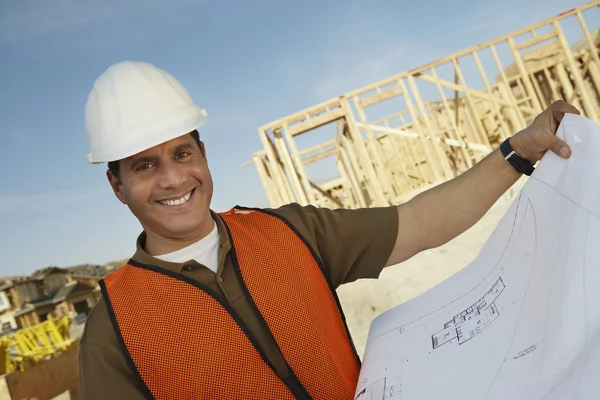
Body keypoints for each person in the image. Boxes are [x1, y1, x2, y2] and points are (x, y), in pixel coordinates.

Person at [78, 60, 579, 400]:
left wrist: (521, 148)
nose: (172, 179)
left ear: (203, 155)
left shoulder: (289, 233)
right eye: (144, 166)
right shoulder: (113, 332)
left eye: (181, 153)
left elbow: (420, 223)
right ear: (117, 185)